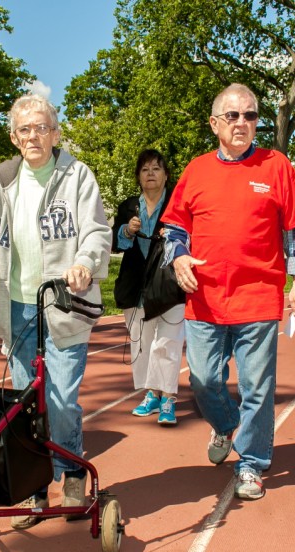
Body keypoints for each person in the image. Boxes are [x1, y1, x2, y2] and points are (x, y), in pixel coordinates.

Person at [0, 93, 111, 528]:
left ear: (56, 133)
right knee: (25, 405)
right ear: (13, 137)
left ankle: (74, 471)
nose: (34, 136)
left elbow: (98, 231)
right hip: (18, 308)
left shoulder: (77, 176)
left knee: (60, 401)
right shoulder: (0, 182)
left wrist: (85, 263)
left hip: (63, 304)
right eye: (25, 129)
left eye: (42, 127)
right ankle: (35, 489)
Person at [161, 83, 295, 501]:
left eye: (250, 115)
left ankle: (251, 463)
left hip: (259, 295)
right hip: (205, 297)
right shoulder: (196, 170)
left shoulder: (277, 166)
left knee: (257, 387)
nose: (243, 123)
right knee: (204, 379)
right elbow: (174, 227)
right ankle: (227, 424)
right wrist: (179, 258)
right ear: (215, 124)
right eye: (233, 116)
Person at [112, 149, 185, 425]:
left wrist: (174, 237)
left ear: (166, 175)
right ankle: (151, 394)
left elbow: (191, 238)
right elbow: (115, 243)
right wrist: (127, 231)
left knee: (167, 342)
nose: (151, 174)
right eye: (145, 170)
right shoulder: (128, 207)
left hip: (168, 284)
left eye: (156, 168)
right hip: (135, 286)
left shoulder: (178, 204)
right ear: (138, 176)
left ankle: (168, 398)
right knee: (141, 344)